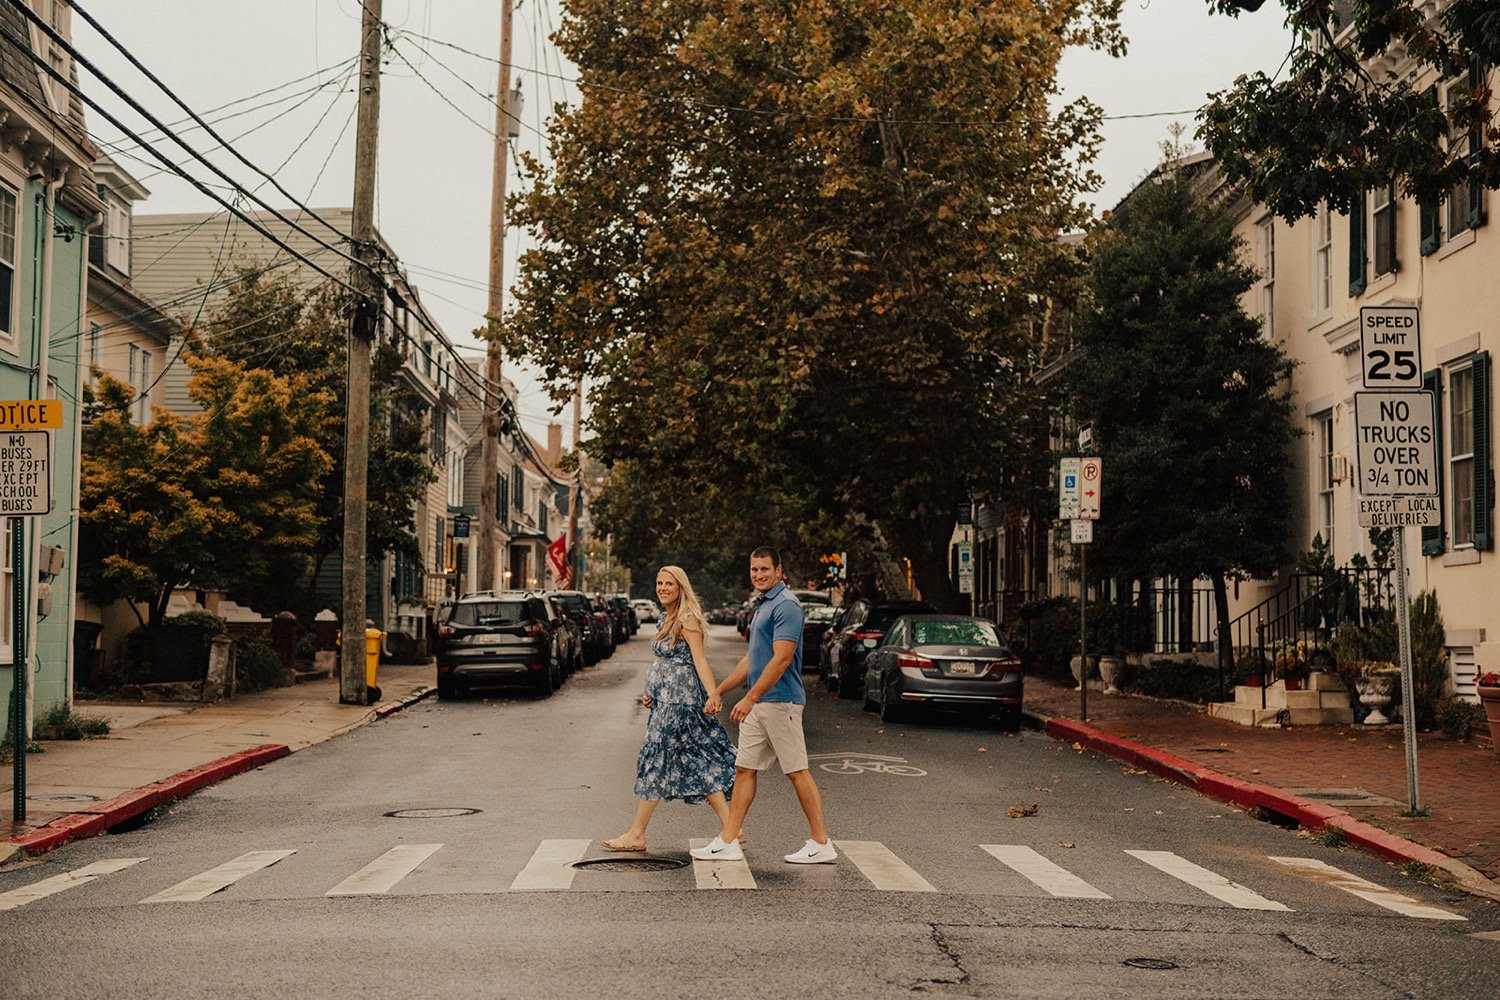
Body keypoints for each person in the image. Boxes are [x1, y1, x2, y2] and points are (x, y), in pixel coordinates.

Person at [690, 546, 836, 865]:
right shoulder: (764, 604)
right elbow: (752, 659)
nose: (758, 574)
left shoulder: (786, 605)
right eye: (754, 569)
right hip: (761, 704)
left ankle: (821, 842)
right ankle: (729, 840)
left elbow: (782, 659)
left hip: (780, 702)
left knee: (797, 771)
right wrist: (720, 691)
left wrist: (751, 697)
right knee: (744, 769)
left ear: (779, 571)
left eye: (765, 569)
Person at [602, 566, 737, 852]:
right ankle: (732, 827)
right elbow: (664, 663)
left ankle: (636, 833)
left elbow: (700, 660)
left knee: (656, 760)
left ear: (680, 588)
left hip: (680, 704)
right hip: (666, 701)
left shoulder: (687, 619)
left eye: (669, 584)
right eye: (659, 583)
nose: (663, 588)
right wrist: (652, 692)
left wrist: (713, 694)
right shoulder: (667, 617)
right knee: (697, 761)